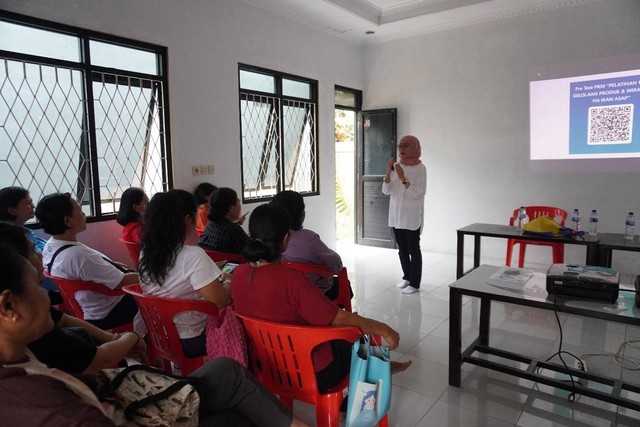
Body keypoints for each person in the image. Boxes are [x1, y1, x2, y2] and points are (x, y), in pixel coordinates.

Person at [0, 246, 308, 427]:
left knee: (227, 369)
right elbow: (219, 299)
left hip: (156, 345)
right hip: (140, 406)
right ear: (8, 306)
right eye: (37, 288)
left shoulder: (20, 358)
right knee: (239, 412)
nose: (46, 296)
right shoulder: (39, 401)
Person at [232, 203, 411, 393]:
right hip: (311, 371)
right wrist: (383, 328)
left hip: (267, 367)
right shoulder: (291, 279)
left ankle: (369, 379)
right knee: (361, 337)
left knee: (351, 335)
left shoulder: (238, 274)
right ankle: (379, 372)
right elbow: (338, 318)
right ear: (285, 239)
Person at [0, 221, 146, 374]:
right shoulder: (41, 337)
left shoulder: (55, 245)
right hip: (102, 309)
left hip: (86, 309)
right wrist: (132, 337)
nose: (40, 255)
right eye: (38, 287)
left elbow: (63, 319)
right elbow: (101, 358)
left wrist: (112, 339)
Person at [138, 189, 230, 357]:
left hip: (159, 334)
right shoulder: (192, 255)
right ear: (188, 220)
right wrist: (230, 281)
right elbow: (220, 300)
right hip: (191, 339)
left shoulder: (147, 252)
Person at [35, 193, 140, 331]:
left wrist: (111, 264)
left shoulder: (51, 245)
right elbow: (120, 282)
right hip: (109, 310)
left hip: (86, 306)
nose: (83, 213)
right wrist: (149, 277)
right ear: (68, 221)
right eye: (79, 210)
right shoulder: (78, 255)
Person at [272, 190, 344, 300]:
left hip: (281, 292)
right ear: (302, 214)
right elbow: (336, 264)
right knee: (344, 284)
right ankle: (333, 314)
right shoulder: (308, 238)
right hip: (312, 293)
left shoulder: (267, 238)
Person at [382, 135, 427, 295]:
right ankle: (407, 277)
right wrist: (388, 172)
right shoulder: (395, 166)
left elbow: (418, 193)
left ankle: (415, 283)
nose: (401, 149)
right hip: (396, 215)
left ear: (414, 148)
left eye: (406, 145)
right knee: (402, 249)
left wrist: (402, 178)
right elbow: (386, 191)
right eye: (400, 145)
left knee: (414, 250)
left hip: (411, 216)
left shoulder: (420, 169)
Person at [199, 187, 248, 253]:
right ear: (231, 207)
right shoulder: (234, 230)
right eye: (238, 202)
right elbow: (252, 253)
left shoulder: (210, 224)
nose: (240, 205)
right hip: (234, 263)